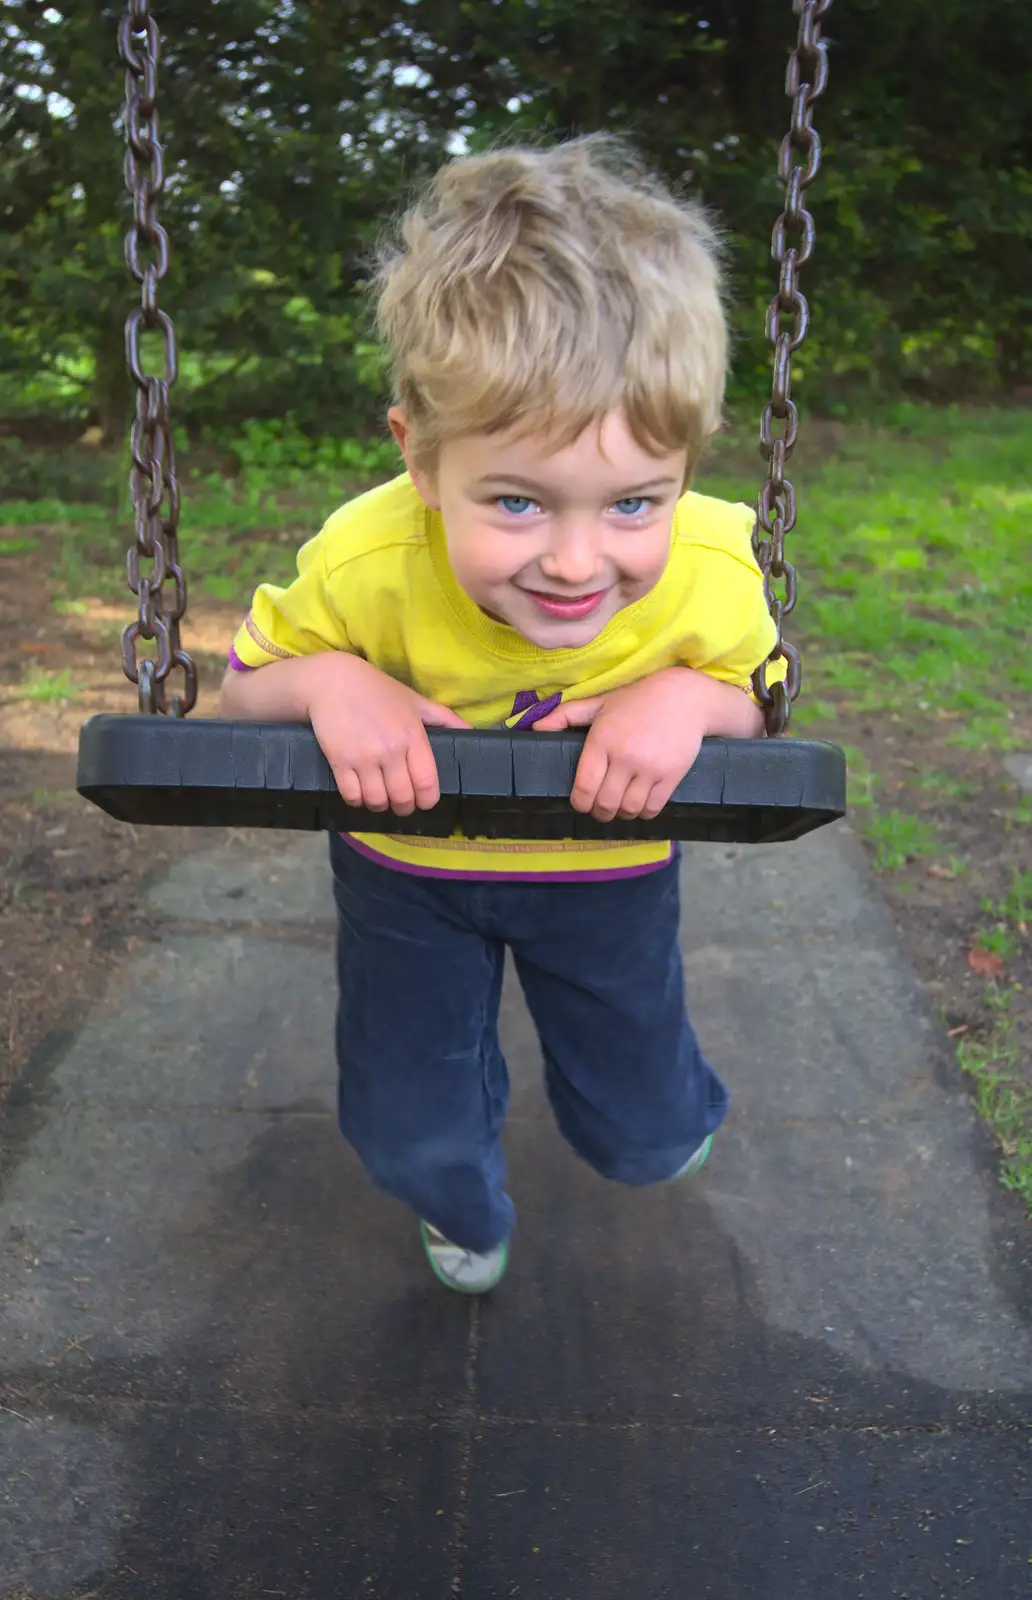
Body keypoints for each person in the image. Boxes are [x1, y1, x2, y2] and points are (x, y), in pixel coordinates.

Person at [220, 134, 782, 1295]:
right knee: (404, 1124)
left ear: (685, 466)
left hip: (606, 866)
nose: (578, 562)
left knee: (645, 1135)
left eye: (634, 502)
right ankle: (453, 1199)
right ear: (419, 455)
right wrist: (330, 682)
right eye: (518, 501)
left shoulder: (717, 567)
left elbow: (763, 702)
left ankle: (663, 1117)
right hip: (404, 868)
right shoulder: (366, 557)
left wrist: (690, 697)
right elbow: (241, 686)